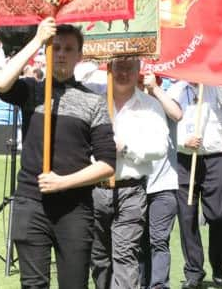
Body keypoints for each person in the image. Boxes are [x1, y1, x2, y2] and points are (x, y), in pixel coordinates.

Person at [0, 17, 116, 289]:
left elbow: (108, 164)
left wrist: (63, 182)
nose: (61, 53)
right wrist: (38, 40)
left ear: (80, 56)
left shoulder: (93, 102)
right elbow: (2, 84)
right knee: (33, 284)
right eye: (55, 47)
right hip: (30, 202)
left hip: (75, 209)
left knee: (74, 284)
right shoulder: (31, 91)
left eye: (68, 49)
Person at [91, 58, 169, 289]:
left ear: (138, 72)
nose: (123, 73)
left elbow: (159, 147)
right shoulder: (96, 103)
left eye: (129, 68)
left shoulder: (150, 106)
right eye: (119, 67)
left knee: (126, 256)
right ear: (109, 69)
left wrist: (125, 147)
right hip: (95, 189)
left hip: (130, 191)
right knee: (99, 259)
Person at [167, 81, 222, 289]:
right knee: (187, 217)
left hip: (216, 158)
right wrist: (182, 142)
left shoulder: (216, 86)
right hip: (186, 159)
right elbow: (167, 126)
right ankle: (194, 271)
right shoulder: (175, 90)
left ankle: (218, 264)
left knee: (219, 215)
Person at [139, 72, 182, 289]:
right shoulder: (132, 104)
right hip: (135, 186)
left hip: (164, 186)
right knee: (137, 242)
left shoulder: (165, 103)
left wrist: (154, 89)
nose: (142, 82)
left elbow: (177, 114)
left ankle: (158, 286)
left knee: (158, 241)